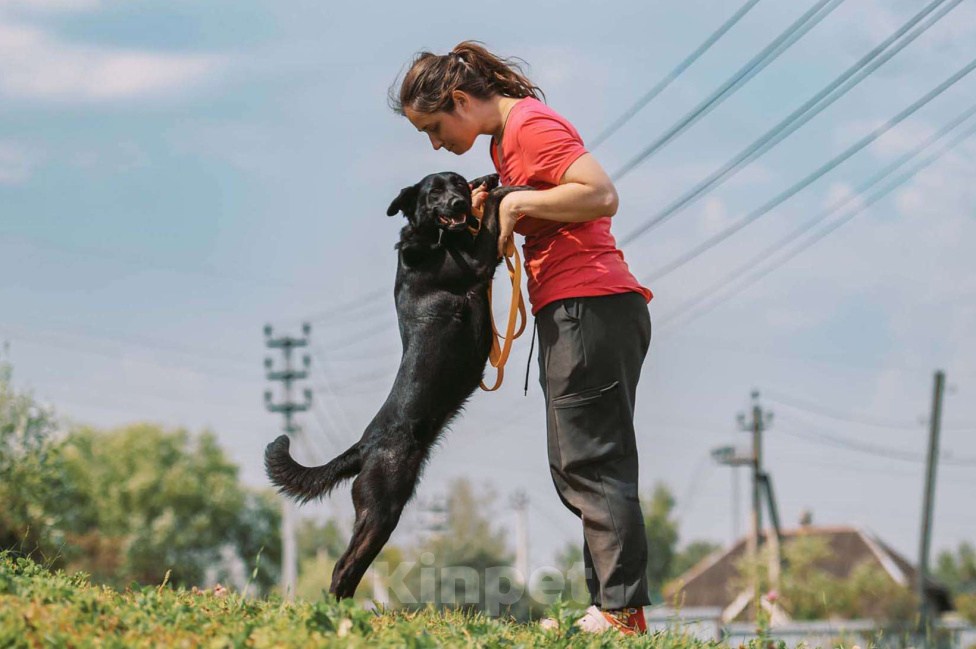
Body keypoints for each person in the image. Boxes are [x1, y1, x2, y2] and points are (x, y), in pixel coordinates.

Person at [390, 41, 653, 635]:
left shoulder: (529, 127)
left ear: (459, 100)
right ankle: (611, 608)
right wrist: (500, 198)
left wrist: (514, 207)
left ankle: (622, 614)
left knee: (589, 460)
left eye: (434, 127)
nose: (435, 144)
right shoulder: (504, 144)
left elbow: (600, 193)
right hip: (582, 306)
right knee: (582, 457)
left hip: (588, 303)